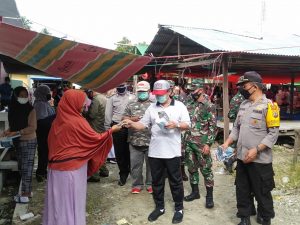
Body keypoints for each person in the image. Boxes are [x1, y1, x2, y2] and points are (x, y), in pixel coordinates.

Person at [43, 90, 121, 225]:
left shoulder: (58, 121)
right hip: (72, 170)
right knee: (72, 200)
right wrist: (111, 131)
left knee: (58, 201)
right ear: (73, 103)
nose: (84, 105)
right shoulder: (77, 121)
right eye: (82, 102)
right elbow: (95, 138)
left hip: (55, 169)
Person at [123, 80, 190, 224]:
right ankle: (159, 207)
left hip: (172, 152)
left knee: (175, 182)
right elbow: (143, 124)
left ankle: (179, 208)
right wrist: (132, 123)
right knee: (157, 182)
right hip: (155, 152)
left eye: (162, 94)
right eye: (157, 94)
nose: (159, 97)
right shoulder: (152, 108)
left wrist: (176, 124)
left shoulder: (179, 106)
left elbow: (187, 125)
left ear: (170, 92)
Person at [222, 71, 280, 225]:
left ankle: (265, 217)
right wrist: (227, 142)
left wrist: (257, 149)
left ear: (254, 86)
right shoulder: (243, 105)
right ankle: (244, 217)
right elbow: (236, 129)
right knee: (242, 189)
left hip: (260, 159)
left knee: (262, 191)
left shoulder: (270, 106)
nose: (241, 88)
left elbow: (273, 134)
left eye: (244, 85)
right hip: (242, 157)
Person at [184, 86, 217, 209]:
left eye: (194, 90)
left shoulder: (209, 105)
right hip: (189, 142)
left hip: (202, 144)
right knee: (191, 168)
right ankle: (195, 192)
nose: (191, 93)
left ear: (201, 90)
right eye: (190, 90)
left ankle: (209, 197)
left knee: (206, 169)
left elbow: (213, 127)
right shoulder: (189, 104)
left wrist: (208, 144)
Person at [3, 86, 37, 203]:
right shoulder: (14, 108)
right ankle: (26, 191)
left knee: (27, 168)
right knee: (22, 167)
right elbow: (15, 125)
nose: (23, 98)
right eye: (21, 96)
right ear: (15, 96)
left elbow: (33, 127)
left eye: (25, 96)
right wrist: (7, 132)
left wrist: (17, 132)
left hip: (28, 141)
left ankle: (25, 194)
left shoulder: (30, 109)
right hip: (18, 141)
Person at [123, 81, 152, 194]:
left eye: (144, 92)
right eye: (139, 92)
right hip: (134, 140)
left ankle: (150, 184)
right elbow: (123, 118)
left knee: (151, 165)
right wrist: (131, 119)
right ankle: (136, 185)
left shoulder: (154, 105)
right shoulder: (131, 104)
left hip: (150, 140)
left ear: (149, 92)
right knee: (135, 165)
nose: (141, 94)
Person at [104, 83, 135, 186]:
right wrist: (108, 129)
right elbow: (108, 114)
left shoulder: (132, 96)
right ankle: (123, 173)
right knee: (119, 152)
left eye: (123, 85)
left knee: (131, 151)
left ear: (126, 86)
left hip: (131, 126)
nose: (121, 87)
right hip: (118, 127)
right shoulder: (112, 98)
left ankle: (133, 171)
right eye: (119, 85)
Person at [84, 89, 110, 182]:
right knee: (101, 151)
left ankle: (94, 174)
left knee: (94, 152)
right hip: (103, 127)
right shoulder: (105, 98)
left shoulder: (96, 100)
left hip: (95, 128)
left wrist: (84, 112)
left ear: (92, 92)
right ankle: (104, 170)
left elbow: (92, 115)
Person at [33, 85, 56, 182]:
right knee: (43, 152)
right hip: (43, 133)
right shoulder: (40, 104)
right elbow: (41, 121)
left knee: (45, 152)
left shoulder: (43, 103)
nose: (49, 95)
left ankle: (43, 172)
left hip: (45, 132)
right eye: (47, 93)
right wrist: (55, 116)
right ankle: (40, 172)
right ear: (42, 94)